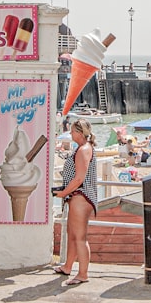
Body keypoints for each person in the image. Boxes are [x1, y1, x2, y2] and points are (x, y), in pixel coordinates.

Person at [52, 118, 98, 286]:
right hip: (77, 196)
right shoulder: (83, 148)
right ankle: (68, 266)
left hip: (80, 196)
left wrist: (63, 192)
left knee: (79, 237)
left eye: (72, 131)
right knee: (72, 235)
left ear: (79, 133)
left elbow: (79, 178)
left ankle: (83, 273)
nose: (70, 134)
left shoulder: (84, 149)